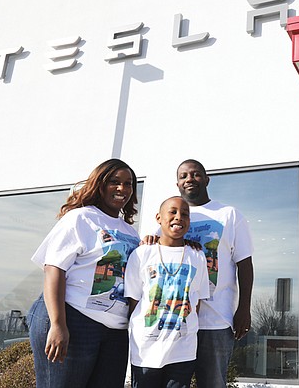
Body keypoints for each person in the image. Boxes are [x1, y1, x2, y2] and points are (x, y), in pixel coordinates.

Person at [27, 158, 141, 388]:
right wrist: (58, 324)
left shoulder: (131, 232)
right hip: (75, 319)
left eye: (128, 184)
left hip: (115, 331)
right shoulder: (80, 218)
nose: (122, 188)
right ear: (99, 184)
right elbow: (53, 269)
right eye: (114, 182)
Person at [145, 159, 254, 388]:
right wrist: (149, 240)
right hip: (175, 320)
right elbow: (154, 252)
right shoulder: (173, 214)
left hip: (215, 320)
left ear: (206, 179)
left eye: (195, 174)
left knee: (213, 383)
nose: (189, 179)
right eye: (184, 176)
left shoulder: (229, 214)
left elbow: (245, 264)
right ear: (178, 184)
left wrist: (244, 308)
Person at [125, 196, 210, 388]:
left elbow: (196, 301)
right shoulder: (142, 254)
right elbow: (134, 301)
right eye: (172, 212)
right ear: (159, 218)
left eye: (185, 214)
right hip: (146, 349)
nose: (179, 217)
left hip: (183, 348)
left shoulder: (197, 255)